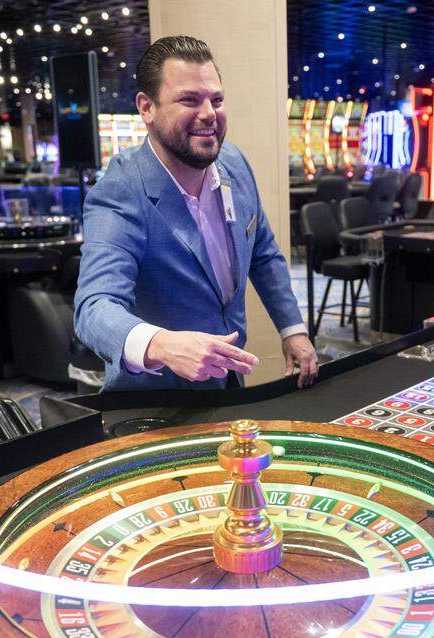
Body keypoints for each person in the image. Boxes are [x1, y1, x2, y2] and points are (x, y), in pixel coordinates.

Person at [74, 35, 318, 391]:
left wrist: (292, 329)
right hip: (157, 403)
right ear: (147, 107)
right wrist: (162, 344)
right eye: (189, 100)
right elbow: (94, 308)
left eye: (216, 100)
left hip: (227, 386)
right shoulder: (121, 189)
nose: (208, 113)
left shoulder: (234, 162)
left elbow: (262, 253)